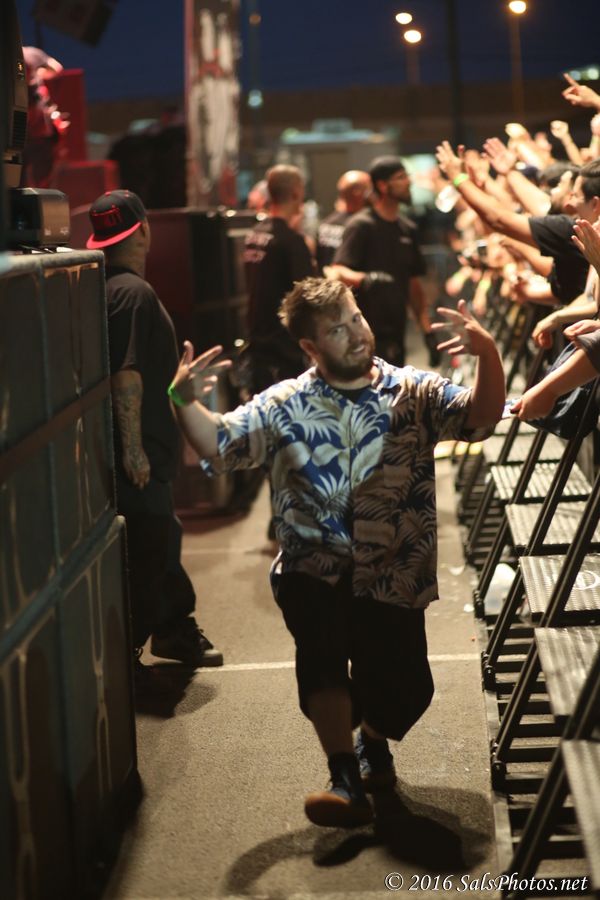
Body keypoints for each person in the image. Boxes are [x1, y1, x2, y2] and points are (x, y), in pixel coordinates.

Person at [168, 276, 505, 828]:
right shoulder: (286, 404)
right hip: (313, 569)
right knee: (322, 667)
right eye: (337, 330)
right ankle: (344, 778)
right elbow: (219, 442)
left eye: (355, 319)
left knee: (407, 691)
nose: (355, 333)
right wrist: (183, 400)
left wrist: (487, 353)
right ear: (310, 346)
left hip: (394, 570)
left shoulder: (412, 391)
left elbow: (481, 416)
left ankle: (372, 737)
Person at [85, 190, 224, 682]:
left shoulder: (105, 287)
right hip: (139, 457)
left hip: (137, 453)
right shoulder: (133, 293)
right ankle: (125, 668)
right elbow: (124, 375)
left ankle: (171, 630)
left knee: (162, 543)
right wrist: (134, 450)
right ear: (143, 229)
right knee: (146, 558)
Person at [436, 141, 600, 305]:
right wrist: (508, 173)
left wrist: (459, 179)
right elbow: (530, 207)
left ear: (594, 204)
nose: (570, 200)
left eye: (575, 194)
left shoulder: (574, 230)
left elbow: (499, 218)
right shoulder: (572, 227)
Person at [328, 155, 437, 368]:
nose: (408, 182)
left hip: (396, 331)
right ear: (382, 185)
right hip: (362, 334)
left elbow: (413, 284)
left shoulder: (407, 229)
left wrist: (427, 331)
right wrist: (367, 279)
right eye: (401, 177)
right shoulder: (361, 225)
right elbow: (337, 269)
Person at [243, 164, 314, 393]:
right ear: (296, 192)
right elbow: (308, 298)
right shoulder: (291, 242)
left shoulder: (254, 234)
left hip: (258, 345)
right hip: (284, 352)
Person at [316, 169, 371, 273]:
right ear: (357, 192)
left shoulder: (326, 222)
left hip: (326, 282)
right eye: (370, 188)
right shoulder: (360, 225)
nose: (372, 193)